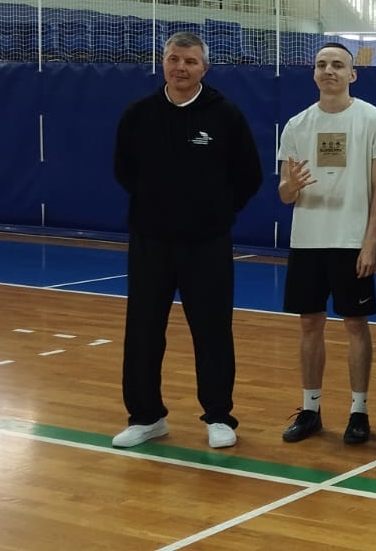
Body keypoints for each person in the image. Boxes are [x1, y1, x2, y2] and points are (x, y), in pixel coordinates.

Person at [110, 31, 263, 450]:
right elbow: (124, 170)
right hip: (150, 242)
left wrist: (216, 212)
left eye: (190, 61)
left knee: (212, 331)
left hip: (207, 243)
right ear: (163, 62)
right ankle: (146, 417)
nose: (181, 67)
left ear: (204, 68)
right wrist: (155, 206)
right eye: (174, 59)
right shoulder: (138, 114)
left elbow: (249, 175)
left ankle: (218, 416)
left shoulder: (225, 115)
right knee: (143, 331)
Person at [275, 43, 376, 445]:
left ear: (352, 74)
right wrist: (291, 185)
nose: (329, 70)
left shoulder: (373, 120)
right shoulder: (297, 125)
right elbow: (285, 194)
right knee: (309, 324)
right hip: (308, 241)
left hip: (351, 242)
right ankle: (310, 409)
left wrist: (370, 242)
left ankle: (358, 412)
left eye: (338, 65)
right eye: (322, 64)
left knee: (356, 324)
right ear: (314, 73)